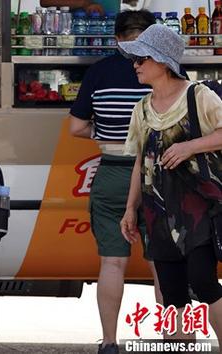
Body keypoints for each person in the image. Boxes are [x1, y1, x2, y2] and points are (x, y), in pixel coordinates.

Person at [119, 24, 222, 347]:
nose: (135, 65)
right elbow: (139, 163)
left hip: (198, 207)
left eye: (141, 59)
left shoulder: (199, 95)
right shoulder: (142, 108)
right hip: (157, 210)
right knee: (172, 291)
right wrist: (129, 209)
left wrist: (190, 146)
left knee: (204, 283)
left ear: (163, 62)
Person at [68, 10, 162, 354]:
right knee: (161, 262)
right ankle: (173, 338)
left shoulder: (98, 72)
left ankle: (109, 342)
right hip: (155, 174)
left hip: (111, 171)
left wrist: (107, 135)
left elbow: (76, 128)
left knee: (111, 262)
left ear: (116, 37)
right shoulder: (162, 71)